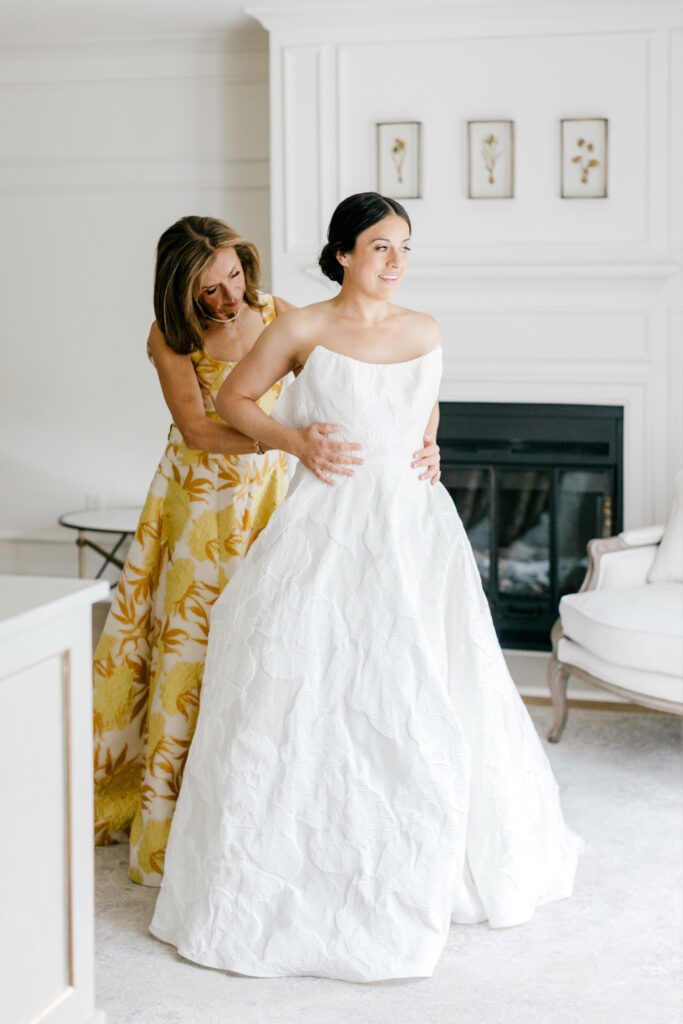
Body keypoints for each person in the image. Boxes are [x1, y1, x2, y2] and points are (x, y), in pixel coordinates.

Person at [150, 194, 582, 981]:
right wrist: (292, 441)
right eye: (381, 247)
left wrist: (430, 445)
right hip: (328, 523)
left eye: (405, 248)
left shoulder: (425, 329)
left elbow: (424, 399)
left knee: (424, 683)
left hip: (413, 528)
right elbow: (232, 401)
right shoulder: (299, 326)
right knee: (306, 683)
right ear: (343, 252)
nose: (396, 262)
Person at [93, 214, 441, 887]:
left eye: (232, 276)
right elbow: (198, 429)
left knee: (278, 640)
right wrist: (285, 442)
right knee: (201, 643)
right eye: (209, 289)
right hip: (205, 500)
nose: (228, 296)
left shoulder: (278, 311)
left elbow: (351, 383)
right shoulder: (169, 336)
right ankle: (173, 816)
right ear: (181, 291)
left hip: (283, 488)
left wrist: (413, 435)